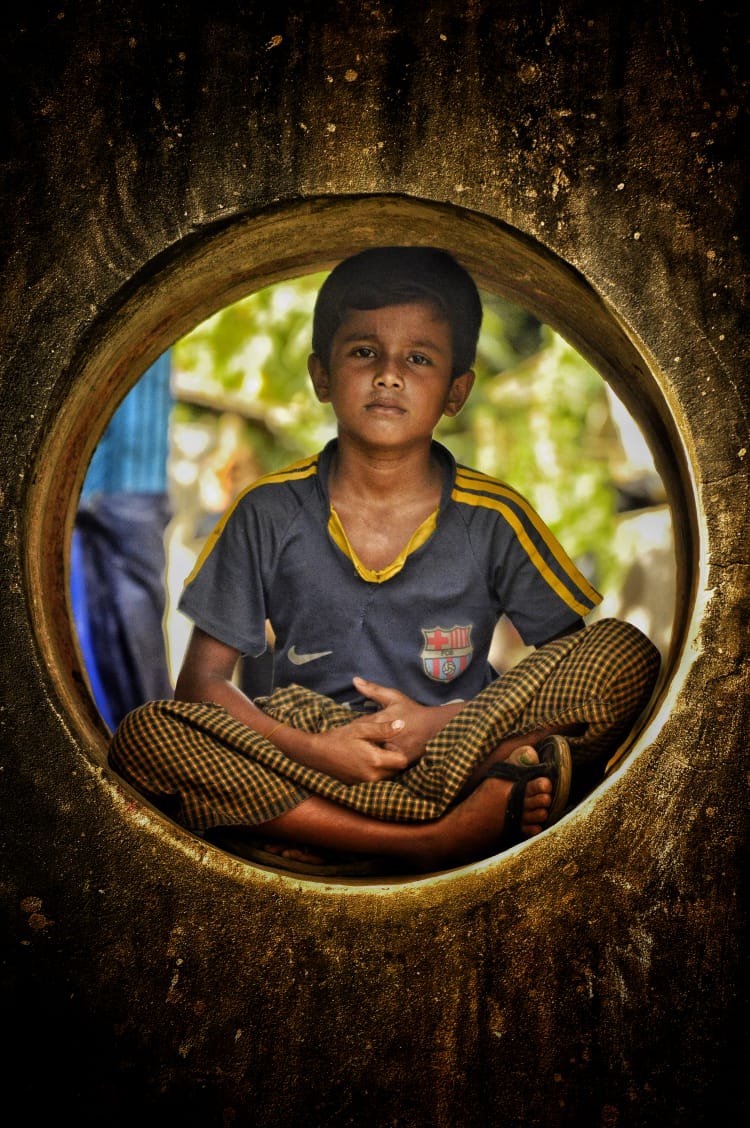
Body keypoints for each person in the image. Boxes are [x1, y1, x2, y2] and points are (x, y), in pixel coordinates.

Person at [110, 247, 660, 874]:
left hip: (455, 753)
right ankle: (429, 841)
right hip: (309, 752)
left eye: (419, 358)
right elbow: (201, 686)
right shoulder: (267, 511)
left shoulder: (495, 516)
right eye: (364, 351)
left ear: (457, 391)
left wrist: (439, 724)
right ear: (322, 375)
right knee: (148, 733)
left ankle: (326, 837)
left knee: (624, 653)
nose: (389, 374)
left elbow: (570, 666)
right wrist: (320, 751)